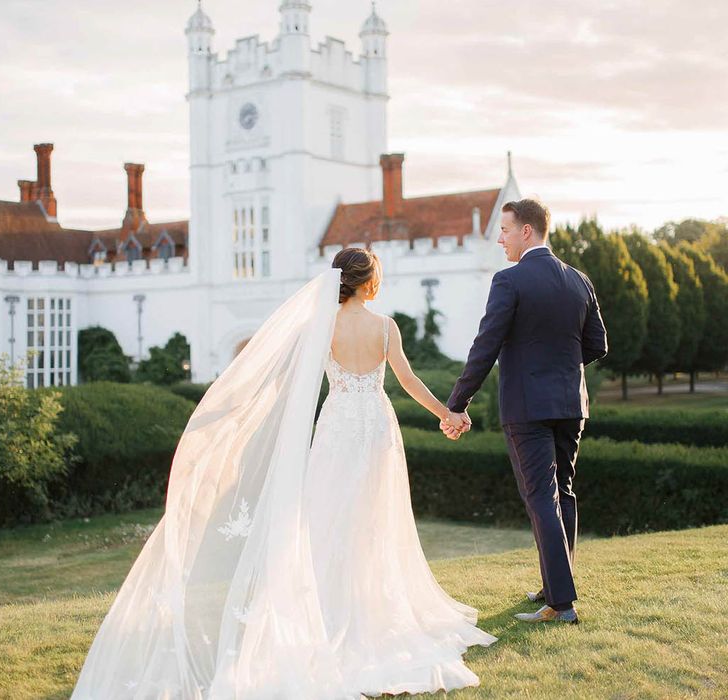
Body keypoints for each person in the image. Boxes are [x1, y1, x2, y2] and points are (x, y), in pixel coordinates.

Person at [70, 247, 496, 700]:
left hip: (336, 427)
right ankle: (369, 606)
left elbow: (291, 381)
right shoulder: (385, 327)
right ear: (368, 282)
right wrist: (447, 413)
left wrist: (238, 413)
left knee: (325, 516)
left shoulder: (323, 326)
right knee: (372, 519)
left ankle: (325, 607)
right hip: (375, 427)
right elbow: (408, 382)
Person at [440, 198, 608, 625]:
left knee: (541, 498)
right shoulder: (579, 280)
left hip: (528, 407)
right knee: (563, 492)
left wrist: (456, 403)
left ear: (527, 232)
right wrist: (559, 368)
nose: (500, 239)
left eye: (505, 230)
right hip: (572, 403)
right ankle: (557, 586)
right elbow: (597, 345)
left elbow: (486, 345)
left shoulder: (509, 280)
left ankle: (561, 604)